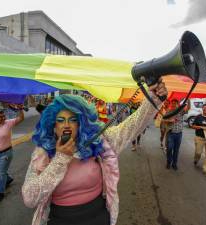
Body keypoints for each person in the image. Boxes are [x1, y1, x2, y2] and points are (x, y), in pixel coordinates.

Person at [21, 80, 167, 225]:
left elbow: (130, 128)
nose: (66, 125)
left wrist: (153, 98)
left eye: (72, 120)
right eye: (60, 120)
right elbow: (29, 198)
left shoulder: (98, 142)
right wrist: (60, 159)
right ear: (53, 125)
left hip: (97, 216)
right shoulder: (42, 153)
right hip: (60, 219)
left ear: (80, 124)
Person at [163, 99, 186, 170]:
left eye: (175, 103)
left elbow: (188, 108)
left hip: (179, 134)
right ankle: (168, 162)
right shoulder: (168, 111)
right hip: (171, 133)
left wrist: (188, 100)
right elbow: (163, 120)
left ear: (177, 104)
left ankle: (174, 164)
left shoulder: (181, 111)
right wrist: (170, 120)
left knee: (176, 150)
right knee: (169, 148)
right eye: (172, 103)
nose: (173, 104)